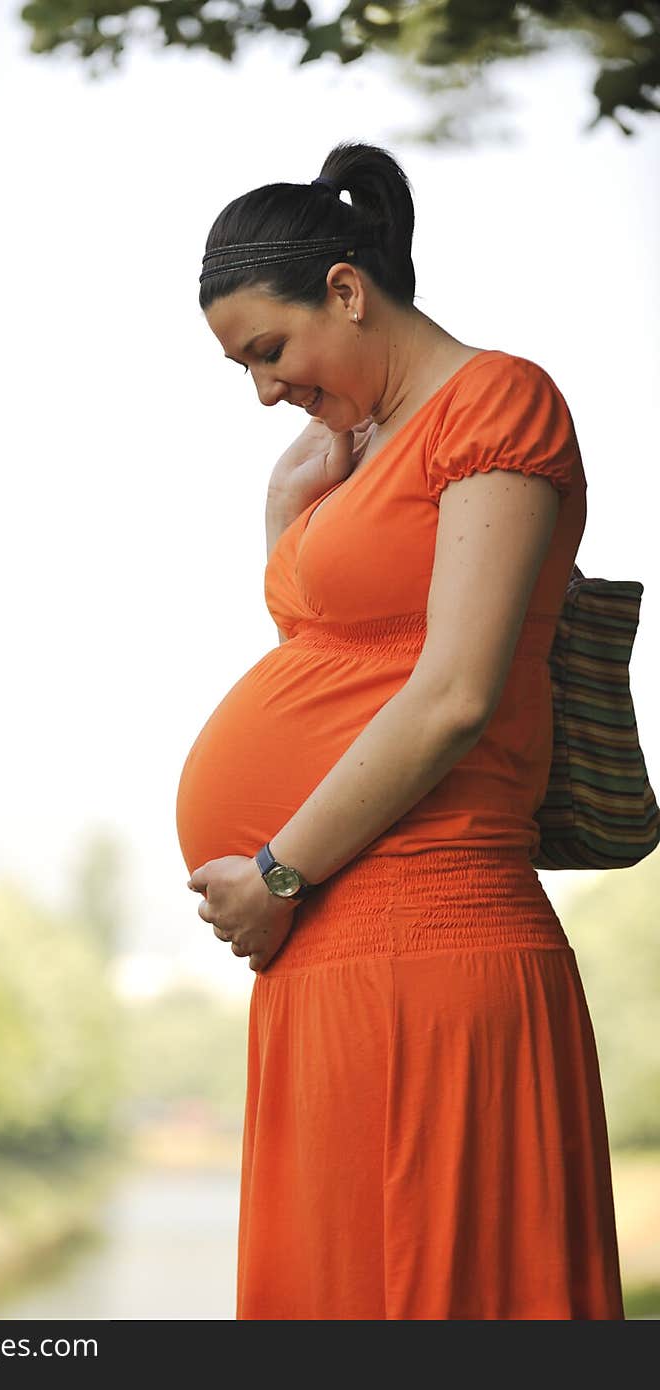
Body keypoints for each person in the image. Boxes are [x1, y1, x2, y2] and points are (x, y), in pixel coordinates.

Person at [174, 141, 625, 1320]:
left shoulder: (494, 402)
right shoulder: (363, 450)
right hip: (327, 952)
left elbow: (454, 692)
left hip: (423, 936)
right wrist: (287, 515)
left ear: (344, 286)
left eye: (267, 352)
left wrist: (274, 868)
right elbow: (335, 676)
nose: (264, 391)